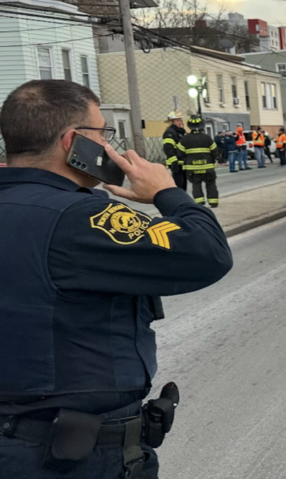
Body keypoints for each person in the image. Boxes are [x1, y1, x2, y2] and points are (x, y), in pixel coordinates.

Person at [0, 80, 232, 479]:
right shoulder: (79, 219)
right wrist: (167, 193)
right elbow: (207, 253)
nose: (109, 148)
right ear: (73, 141)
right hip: (75, 457)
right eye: (103, 135)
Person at [178, 115, 219, 208]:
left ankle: (199, 203)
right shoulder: (207, 138)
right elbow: (215, 151)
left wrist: (186, 160)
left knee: (196, 185)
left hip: (192, 168)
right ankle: (213, 202)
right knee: (211, 184)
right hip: (207, 167)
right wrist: (212, 160)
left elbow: (180, 153)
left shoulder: (185, 139)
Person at [162, 110, 186, 191]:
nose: (180, 122)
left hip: (182, 164)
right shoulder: (170, 133)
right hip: (175, 164)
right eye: (177, 120)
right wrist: (174, 162)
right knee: (178, 186)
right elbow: (168, 149)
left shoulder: (181, 132)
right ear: (172, 122)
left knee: (183, 186)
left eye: (180, 120)